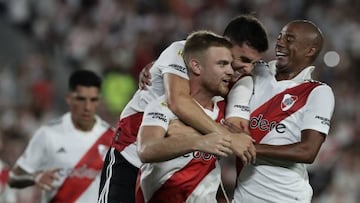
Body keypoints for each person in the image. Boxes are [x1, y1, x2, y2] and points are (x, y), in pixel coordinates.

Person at [98, 14, 268, 203]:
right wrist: (228, 139)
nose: (247, 68)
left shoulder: (238, 81)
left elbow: (233, 128)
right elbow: (179, 102)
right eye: (243, 59)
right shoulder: (183, 51)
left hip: (179, 171)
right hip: (132, 157)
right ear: (226, 44)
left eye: (254, 63)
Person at [230, 20, 335, 202]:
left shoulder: (317, 92)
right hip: (243, 196)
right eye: (279, 37)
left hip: (285, 196)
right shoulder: (256, 71)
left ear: (310, 50)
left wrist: (248, 147)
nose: (279, 43)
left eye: (289, 39)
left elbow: (307, 151)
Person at [136, 30, 235, 203]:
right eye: (222, 64)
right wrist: (199, 142)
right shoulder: (163, 106)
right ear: (196, 66)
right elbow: (146, 150)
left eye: (230, 65)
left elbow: (210, 172)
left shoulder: (225, 111)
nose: (230, 71)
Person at [8, 69, 114, 203]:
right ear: (69, 99)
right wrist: (35, 177)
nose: (87, 107)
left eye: (93, 100)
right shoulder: (48, 134)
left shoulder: (111, 137)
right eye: (81, 99)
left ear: (99, 101)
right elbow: (14, 178)